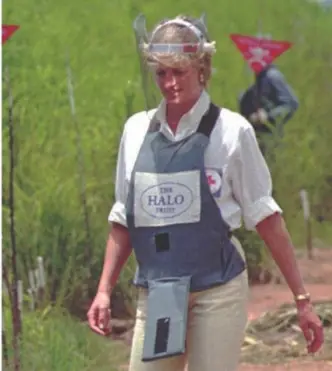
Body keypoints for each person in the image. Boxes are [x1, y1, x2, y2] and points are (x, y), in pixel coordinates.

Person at [86, 14, 323, 371]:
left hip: (217, 288)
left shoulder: (232, 132)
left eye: (179, 72)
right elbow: (123, 219)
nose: (170, 83)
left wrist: (302, 300)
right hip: (159, 291)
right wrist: (104, 290)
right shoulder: (135, 131)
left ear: (202, 68)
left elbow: (267, 219)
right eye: (161, 73)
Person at [238, 61, 299, 153]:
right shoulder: (258, 76)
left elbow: (291, 103)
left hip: (271, 134)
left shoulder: (272, 76)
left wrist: (268, 116)